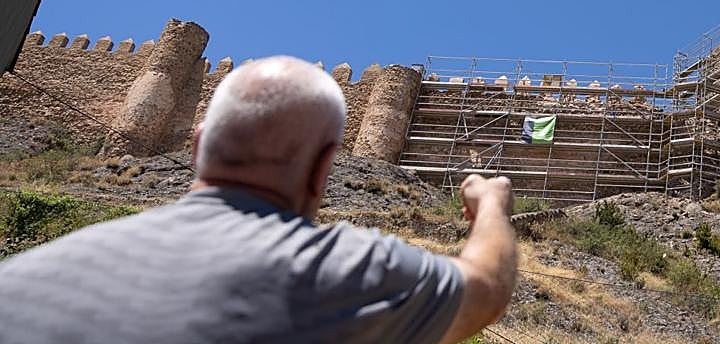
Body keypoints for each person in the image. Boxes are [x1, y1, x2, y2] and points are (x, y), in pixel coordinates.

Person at [0, 56, 517, 343]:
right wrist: (489, 202)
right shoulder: (338, 272)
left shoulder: (21, 276)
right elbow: (486, 290)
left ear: (198, 143)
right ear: (325, 166)